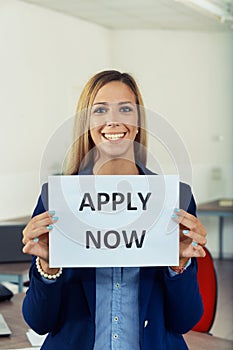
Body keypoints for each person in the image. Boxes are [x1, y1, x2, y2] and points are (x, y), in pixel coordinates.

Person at [22, 70, 207, 350]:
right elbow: (39, 322)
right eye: (100, 110)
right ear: (86, 122)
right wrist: (48, 268)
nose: (113, 120)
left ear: (138, 121)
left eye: (125, 109)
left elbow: (185, 321)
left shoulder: (174, 200)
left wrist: (178, 265)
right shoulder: (57, 199)